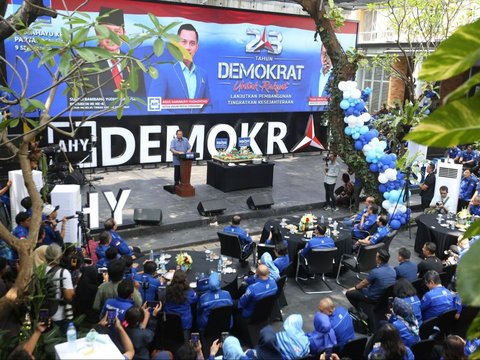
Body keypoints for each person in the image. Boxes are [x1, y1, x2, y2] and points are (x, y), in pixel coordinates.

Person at [84, 7, 146, 103]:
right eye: (106, 31)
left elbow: (141, 100)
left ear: (124, 34)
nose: (112, 37)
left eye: (117, 32)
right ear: (97, 32)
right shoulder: (83, 63)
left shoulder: (134, 63)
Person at [150, 23, 211, 113]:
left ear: (196, 47)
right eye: (184, 42)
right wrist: (178, 123)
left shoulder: (203, 74)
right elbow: (154, 107)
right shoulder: (163, 70)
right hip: (171, 126)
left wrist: (200, 119)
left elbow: (208, 105)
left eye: (192, 43)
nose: (187, 47)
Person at [346, 249, 396, 315]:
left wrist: (354, 288)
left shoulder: (375, 272)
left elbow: (363, 283)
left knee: (349, 293)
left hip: (373, 298)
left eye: (376, 256)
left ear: (379, 259)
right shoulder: (393, 270)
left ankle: (360, 310)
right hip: (385, 297)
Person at [44, 244, 75, 333]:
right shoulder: (63, 272)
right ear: (60, 256)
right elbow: (69, 296)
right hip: (59, 315)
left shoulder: (39, 270)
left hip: (43, 313)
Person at [308, 44, 332, 111]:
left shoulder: (339, 77)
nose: (325, 58)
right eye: (323, 54)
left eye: (328, 54)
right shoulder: (314, 76)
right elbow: (307, 103)